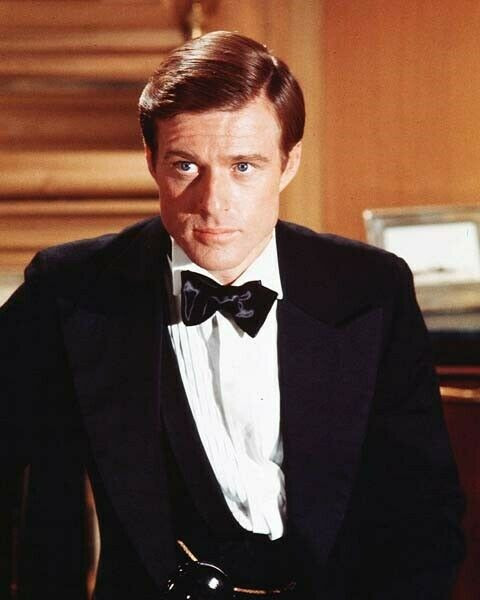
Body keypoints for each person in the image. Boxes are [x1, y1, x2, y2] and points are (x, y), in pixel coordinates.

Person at [0, 31, 465, 600]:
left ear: (288, 163)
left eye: (244, 166)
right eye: (185, 166)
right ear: (151, 161)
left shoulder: (372, 288)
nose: (213, 202)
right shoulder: (69, 290)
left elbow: (425, 515)